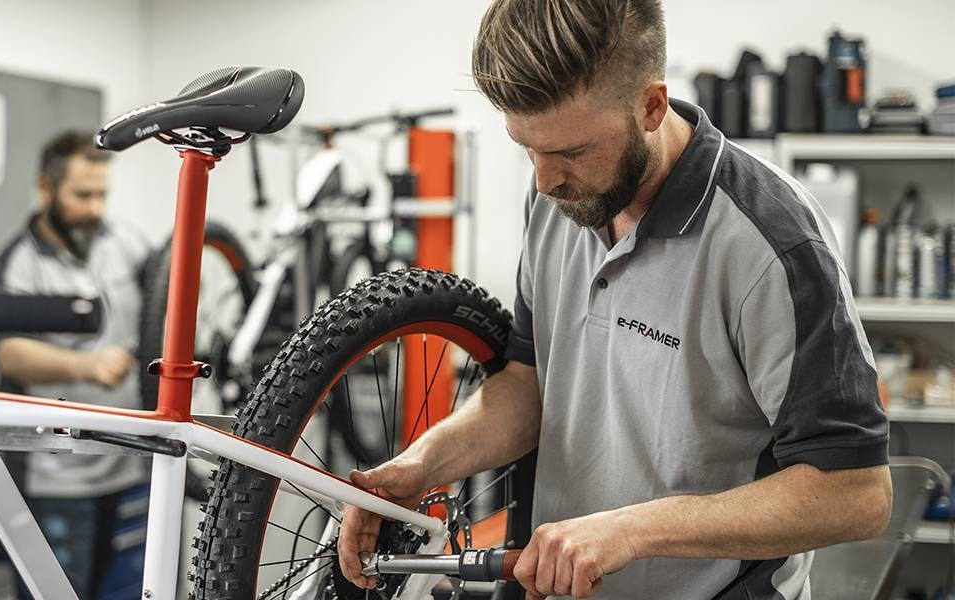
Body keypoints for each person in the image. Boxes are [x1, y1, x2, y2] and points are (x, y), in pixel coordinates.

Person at [337, 1, 891, 598]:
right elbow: (530, 384)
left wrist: (632, 531)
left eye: (573, 152)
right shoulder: (558, 196)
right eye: (526, 146)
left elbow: (856, 493)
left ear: (651, 106)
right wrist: (423, 465)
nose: (545, 180)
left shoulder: (771, 242)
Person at [0, 131, 153, 599]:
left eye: (102, 194)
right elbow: (9, 352)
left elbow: (164, 309)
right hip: (57, 478)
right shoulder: (18, 262)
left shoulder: (126, 242)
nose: (96, 208)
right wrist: (86, 366)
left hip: (131, 465)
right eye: (82, 195)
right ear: (45, 189)